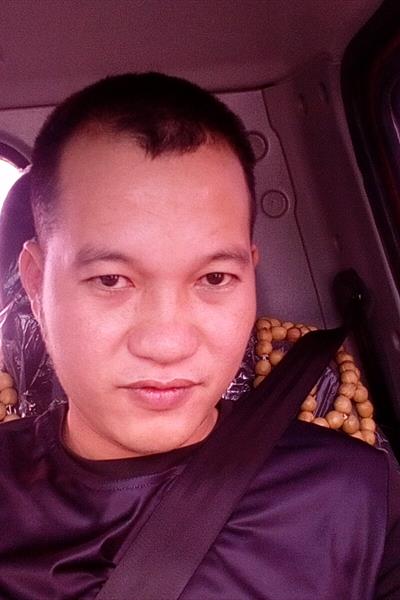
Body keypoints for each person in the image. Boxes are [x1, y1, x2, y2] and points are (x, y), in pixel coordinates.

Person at [0, 72, 399, 599]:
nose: (168, 345)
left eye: (214, 278)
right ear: (35, 283)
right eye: (111, 280)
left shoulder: (358, 496)